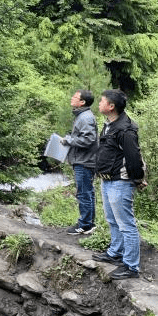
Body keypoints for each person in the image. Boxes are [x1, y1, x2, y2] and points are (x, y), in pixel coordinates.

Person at [92, 89, 144, 280]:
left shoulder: (125, 130)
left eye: (102, 101)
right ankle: (115, 253)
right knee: (113, 221)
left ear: (111, 106)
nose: (99, 103)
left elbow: (134, 157)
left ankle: (131, 267)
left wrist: (138, 179)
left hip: (121, 182)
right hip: (107, 180)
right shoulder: (109, 124)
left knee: (126, 225)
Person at [62, 90, 98, 235]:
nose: (72, 98)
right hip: (84, 160)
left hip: (84, 161)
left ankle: (84, 225)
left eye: (75, 97)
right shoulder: (82, 116)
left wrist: (68, 140)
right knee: (87, 192)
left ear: (82, 102)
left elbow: (88, 139)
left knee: (84, 193)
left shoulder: (85, 118)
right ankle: (89, 223)